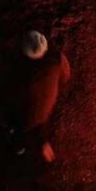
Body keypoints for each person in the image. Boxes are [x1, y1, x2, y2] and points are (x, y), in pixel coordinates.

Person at [7, 31, 71, 163]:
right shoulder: (57, 58)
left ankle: (19, 146)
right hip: (47, 108)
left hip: (29, 118)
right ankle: (40, 143)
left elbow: (15, 99)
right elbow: (66, 76)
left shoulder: (21, 74)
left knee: (17, 123)